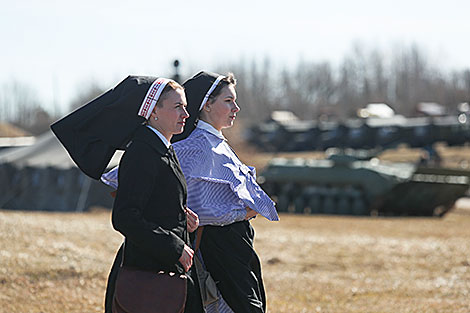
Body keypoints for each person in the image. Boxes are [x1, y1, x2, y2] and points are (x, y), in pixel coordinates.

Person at [51, 76, 203, 313]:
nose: (186, 113)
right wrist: (174, 246)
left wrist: (181, 215)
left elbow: (153, 200)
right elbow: (125, 216)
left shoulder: (162, 148)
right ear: (153, 112)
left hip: (166, 272)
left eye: (185, 106)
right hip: (149, 278)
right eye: (177, 107)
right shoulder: (143, 153)